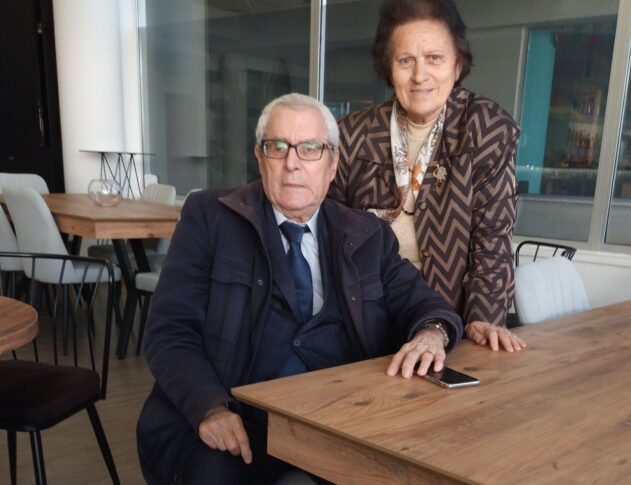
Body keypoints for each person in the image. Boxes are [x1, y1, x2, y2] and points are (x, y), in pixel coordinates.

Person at [136, 93, 462, 485]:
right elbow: (169, 331)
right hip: (238, 415)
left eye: (310, 148)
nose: (292, 163)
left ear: (332, 164)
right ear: (260, 158)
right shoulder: (210, 218)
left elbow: (424, 304)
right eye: (277, 147)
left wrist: (432, 333)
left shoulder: (367, 234)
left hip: (337, 420)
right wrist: (210, 408)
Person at [330, 0, 525, 352]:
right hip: (363, 321)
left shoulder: (484, 128)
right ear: (389, 69)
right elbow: (328, 234)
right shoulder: (352, 135)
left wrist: (483, 318)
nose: (420, 76)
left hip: (450, 325)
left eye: (434, 58)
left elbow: (493, 238)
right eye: (405, 61)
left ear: (457, 65)